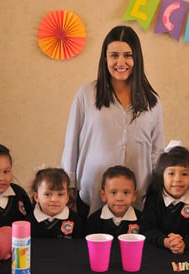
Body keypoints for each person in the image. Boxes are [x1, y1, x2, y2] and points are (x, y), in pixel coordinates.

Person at [61, 25, 164, 222]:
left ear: (137, 59)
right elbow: (71, 143)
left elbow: (156, 153)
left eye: (127, 55)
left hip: (136, 199)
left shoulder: (152, 101)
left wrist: (158, 190)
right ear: (105, 58)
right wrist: (68, 186)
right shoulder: (86, 95)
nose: (120, 62)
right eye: (114, 55)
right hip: (91, 195)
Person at [139, 146, 189, 254]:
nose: (178, 179)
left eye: (184, 174)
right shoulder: (154, 198)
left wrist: (185, 243)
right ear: (161, 176)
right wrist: (165, 241)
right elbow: (146, 228)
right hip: (158, 252)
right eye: (171, 174)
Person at [86, 165, 141, 236]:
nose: (119, 198)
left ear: (134, 195)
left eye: (126, 192)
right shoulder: (94, 221)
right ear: (103, 195)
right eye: (113, 192)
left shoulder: (141, 220)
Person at [28, 168, 83, 238]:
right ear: (36, 197)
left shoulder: (75, 220)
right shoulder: (28, 222)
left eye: (60, 194)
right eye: (47, 194)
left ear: (67, 198)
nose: (54, 199)